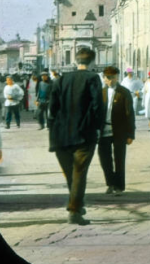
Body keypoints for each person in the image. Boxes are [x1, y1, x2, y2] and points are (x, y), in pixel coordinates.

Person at [48, 45, 105, 225]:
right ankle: (74, 211)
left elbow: (52, 108)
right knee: (79, 173)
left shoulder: (62, 79)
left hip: (61, 135)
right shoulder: (93, 78)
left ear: (75, 59)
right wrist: (98, 127)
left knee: (71, 174)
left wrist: (53, 128)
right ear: (92, 61)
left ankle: (77, 205)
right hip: (84, 133)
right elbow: (97, 105)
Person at [98, 65, 136, 196]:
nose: (110, 80)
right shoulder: (100, 93)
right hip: (103, 131)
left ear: (117, 77)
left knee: (119, 158)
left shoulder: (124, 92)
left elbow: (130, 114)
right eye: (108, 78)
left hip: (120, 130)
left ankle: (119, 186)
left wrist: (131, 134)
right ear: (104, 78)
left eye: (113, 77)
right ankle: (110, 183)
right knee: (104, 159)